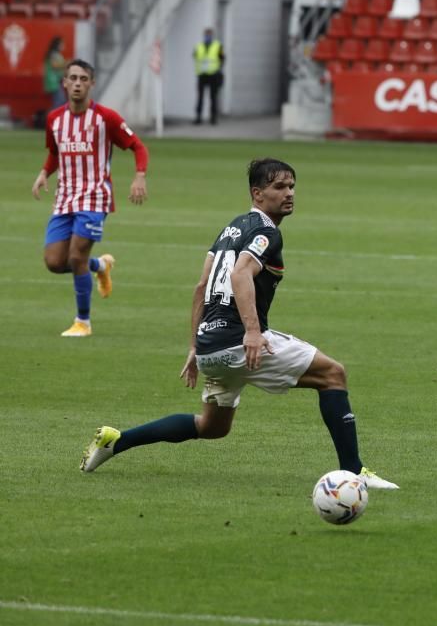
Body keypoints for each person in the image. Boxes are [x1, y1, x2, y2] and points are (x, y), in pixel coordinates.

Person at [80, 158, 399, 490]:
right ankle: (354, 472)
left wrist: (194, 346)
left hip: (211, 348)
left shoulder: (230, 228)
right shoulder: (266, 232)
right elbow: (241, 272)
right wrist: (251, 331)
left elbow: (201, 287)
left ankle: (116, 441)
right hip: (237, 343)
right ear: (257, 194)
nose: (289, 193)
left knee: (212, 427)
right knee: (333, 375)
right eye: (279, 187)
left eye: (291, 186)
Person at [32, 58, 149, 338]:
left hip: (95, 197)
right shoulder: (54, 119)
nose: (77, 84)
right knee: (55, 262)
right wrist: (44, 173)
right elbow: (55, 152)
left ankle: (83, 322)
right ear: (64, 83)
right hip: (64, 198)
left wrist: (140, 176)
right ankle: (101, 266)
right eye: (72, 78)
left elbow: (137, 146)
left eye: (83, 79)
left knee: (76, 255)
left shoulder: (105, 118)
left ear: (92, 84)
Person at [193, 27, 224, 125]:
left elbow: (222, 58)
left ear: (212, 36)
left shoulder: (217, 46)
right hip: (202, 75)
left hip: (213, 75)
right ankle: (198, 117)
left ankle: (213, 118)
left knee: (213, 97)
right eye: (206, 35)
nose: (208, 36)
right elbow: (194, 56)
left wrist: (218, 70)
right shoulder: (199, 46)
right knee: (200, 97)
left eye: (209, 35)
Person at [43, 37, 66, 110]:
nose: (63, 46)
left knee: (60, 101)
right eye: (61, 44)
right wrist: (66, 63)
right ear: (57, 45)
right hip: (54, 82)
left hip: (57, 82)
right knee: (59, 102)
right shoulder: (53, 54)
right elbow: (55, 65)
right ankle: (53, 118)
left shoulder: (56, 54)